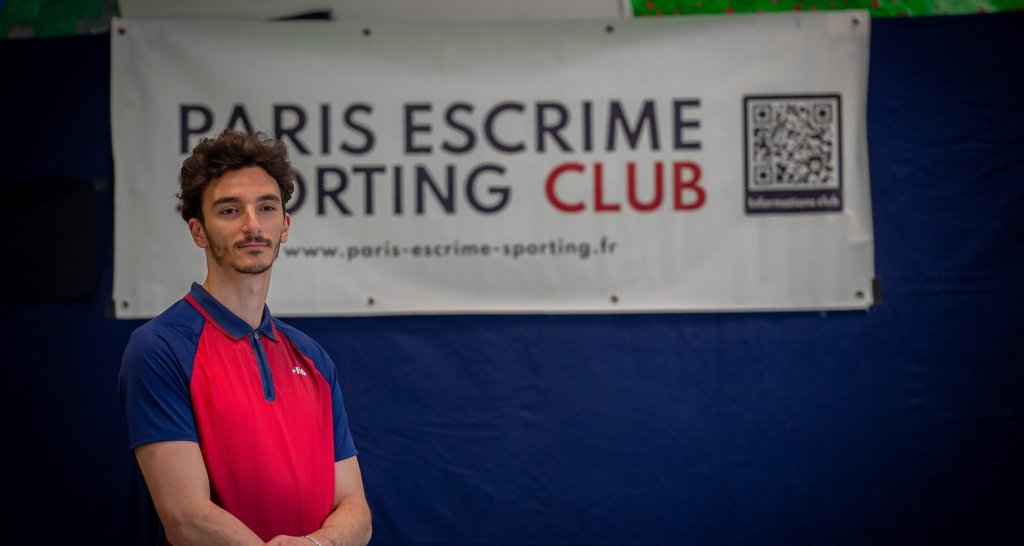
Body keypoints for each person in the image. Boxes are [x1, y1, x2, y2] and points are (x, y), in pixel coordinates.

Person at [118, 129, 372, 546]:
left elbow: (356, 510)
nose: (252, 224)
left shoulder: (312, 358)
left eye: (266, 207)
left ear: (284, 225)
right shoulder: (160, 349)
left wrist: (318, 544)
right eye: (230, 210)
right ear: (198, 231)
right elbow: (186, 517)